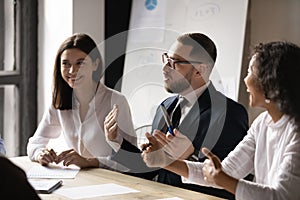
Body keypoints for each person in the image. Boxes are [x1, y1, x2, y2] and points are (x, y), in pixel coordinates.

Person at [142, 41, 300, 200]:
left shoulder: (296, 133)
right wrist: (164, 161)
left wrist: (222, 179)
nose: (246, 80)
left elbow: (282, 196)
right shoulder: (262, 123)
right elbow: (226, 170)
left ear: (271, 81)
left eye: (251, 72)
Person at [105, 33, 249, 199]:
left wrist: (191, 156)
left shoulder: (229, 114)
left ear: (199, 70)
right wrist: (116, 140)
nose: (165, 67)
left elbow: (228, 185)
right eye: (166, 58)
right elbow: (151, 169)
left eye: (175, 62)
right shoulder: (164, 107)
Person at [27, 33, 137, 171]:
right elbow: (35, 143)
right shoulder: (59, 102)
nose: (72, 71)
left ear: (95, 64)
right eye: (66, 64)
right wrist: (40, 154)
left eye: (80, 63)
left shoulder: (116, 101)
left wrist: (92, 162)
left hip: (109, 181)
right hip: (77, 179)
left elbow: (133, 159)